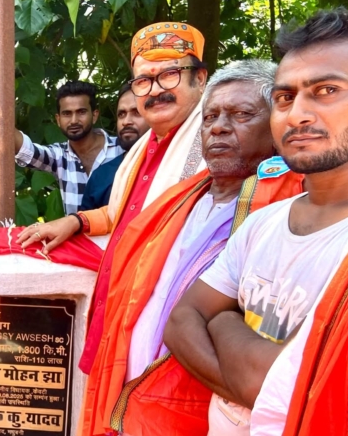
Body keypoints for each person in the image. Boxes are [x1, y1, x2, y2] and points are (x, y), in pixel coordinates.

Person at [81, 60, 305, 436]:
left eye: (241, 115)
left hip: (210, 413)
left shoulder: (290, 209)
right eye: (210, 117)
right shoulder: (175, 201)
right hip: (132, 405)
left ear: (276, 125)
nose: (218, 127)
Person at [166, 8, 348, 436]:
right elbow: (180, 322)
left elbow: (284, 385)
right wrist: (257, 380)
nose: (297, 115)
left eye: (326, 90)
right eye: (285, 98)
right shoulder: (263, 223)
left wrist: (222, 321)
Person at [19, 22, 209, 374]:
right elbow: (123, 215)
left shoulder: (215, 144)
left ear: (199, 79)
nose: (156, 90)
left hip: (168, 318)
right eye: (144, 80)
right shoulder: (142, 150)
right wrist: (76, 221)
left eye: (169, 75)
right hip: (121, 304)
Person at [14, 81, 124, 215]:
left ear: (94, 115)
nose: (74, 120)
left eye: (81, 112)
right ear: (58, 119)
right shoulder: (59, 156)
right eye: (67, 113)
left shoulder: (123, 149)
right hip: (76, 229)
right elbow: (27, 150)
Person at [78, 83, 150, 211]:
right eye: (121, 114)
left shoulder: (172, 167)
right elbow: (85, 221)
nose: (126, 121)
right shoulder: (101, 176)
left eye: (137, 112)